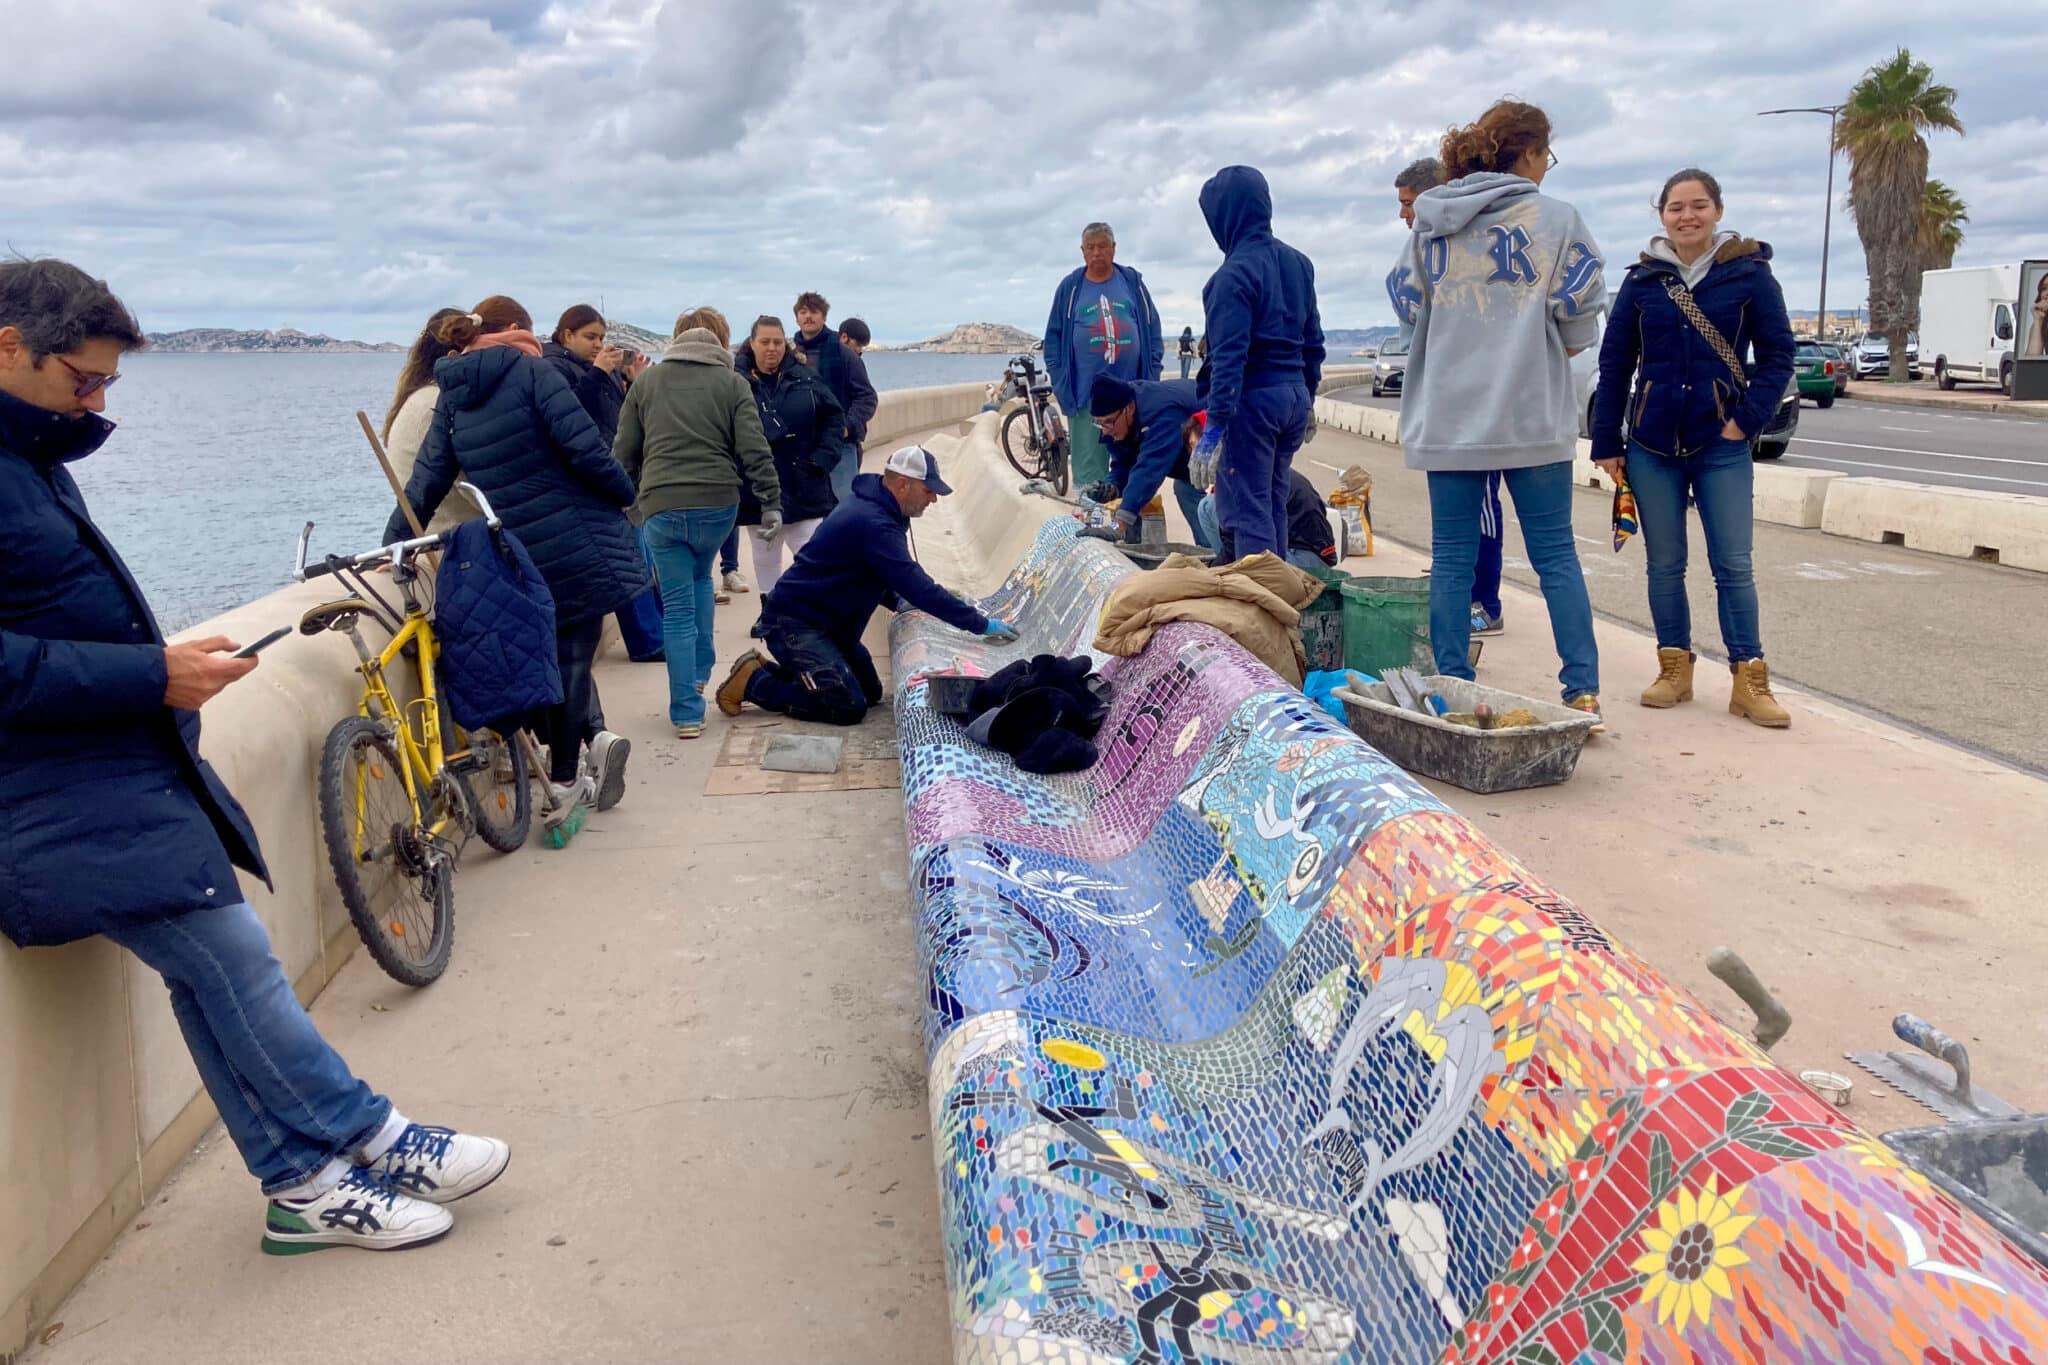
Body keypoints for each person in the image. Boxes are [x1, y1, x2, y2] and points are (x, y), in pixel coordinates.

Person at [0, 257, 507, 1252]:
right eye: (82, 380)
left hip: (100, 772)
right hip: (49, 790)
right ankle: (373, 1136)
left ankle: (302, 1185)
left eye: (110, 383)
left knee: (214, 973)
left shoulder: (26, 450)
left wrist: (155, 671)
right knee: (230, 958)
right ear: (5, 347)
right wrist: (149, 677)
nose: (97, 404)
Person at [1387, 99, 1607, 718]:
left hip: (1450, 419)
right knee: (1555, 555)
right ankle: (1582, 692)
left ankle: (1455, 690)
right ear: (1531, 152)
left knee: (1451, 557)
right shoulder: (1558, 220)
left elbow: (1406, 302)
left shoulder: (1431, 222)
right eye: (1547, 155)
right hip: (1531, 414)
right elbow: (1579, 314)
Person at [386, 295, 648, 810]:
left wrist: (391, 542)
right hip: (573, 537)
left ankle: (566, 757)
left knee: (539, 652)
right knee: (573, 656)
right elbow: (584, 449)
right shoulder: (533, 374)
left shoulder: (455, 394)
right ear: (521, 334)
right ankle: (569, 776)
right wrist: (624, 492)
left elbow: (426, 481)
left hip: (513, 550)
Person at [1592, 168, 1795, 727]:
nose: (1687, 216)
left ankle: (1750, 680)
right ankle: (1674, 668)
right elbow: (1615, 366)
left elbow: (1779, 356)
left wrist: (1745, 423)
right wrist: (1607, 439)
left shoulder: (1750, 275)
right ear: (1661, 215)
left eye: (1698, 205)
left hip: (1720, 444)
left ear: (1718, 210)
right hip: (1652, 445)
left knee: (1733, 565)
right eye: (1676, 207)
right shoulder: (1642, 282)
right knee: (1665, 565)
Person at [715, 446, 1019, 726]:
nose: (933, 499)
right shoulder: (874, 522)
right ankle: (755, 683)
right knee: (847, 705)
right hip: (795, 624)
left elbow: (875, 571)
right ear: (902, 484)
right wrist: (979, 624)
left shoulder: (880, 509)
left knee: (870, 692)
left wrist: (897, 601)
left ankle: (766, 668)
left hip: (828, 624)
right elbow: (918, 586)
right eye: (928, 490)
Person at [615, 306, 781, 739]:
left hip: (663, 507)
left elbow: (625, 450)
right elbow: (753, 448)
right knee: (703, 578)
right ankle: (703, 669)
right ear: (722, 340)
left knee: (677, 607)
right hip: (717, 507)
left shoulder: (646, 382)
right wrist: (771, 502)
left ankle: (687, 711)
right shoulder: (733, 383)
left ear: (676, 338)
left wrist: (629, 502)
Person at [1189, 166, 1326, 563]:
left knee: (1247, 510)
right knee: (1273, 502)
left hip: (1254, 403)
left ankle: (1261, 610)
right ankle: (1279, 597)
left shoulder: (1230, 277)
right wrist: (1308, 395)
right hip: (1293, 400)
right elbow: (1313, 343)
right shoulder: (1299, 264)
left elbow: (1229, 359)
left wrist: (1214, 427)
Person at [1396, 156, 1504, 638]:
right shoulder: (1426, 244)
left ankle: (1487, 601)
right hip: (1449, 402)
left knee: (1483, 508)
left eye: (1406, 204)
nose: (1402, 215)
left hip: (1475, 407)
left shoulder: (1465, 243)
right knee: (1458, 519)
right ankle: (1458, 590)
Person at [545, 304, 665, 665]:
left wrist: (633, 382)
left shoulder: (601, 369)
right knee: (625, 560)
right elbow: (569, 415)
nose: (598, 345)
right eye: (590, 337)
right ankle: (648, 640)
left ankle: (659, 631)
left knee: (640, 555)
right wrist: (598, 373)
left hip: (616, 471)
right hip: (590, 477)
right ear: (567, 335)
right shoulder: (553, 368)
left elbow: (623, 416)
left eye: (601, 337)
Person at [1043, 222, 1164, 488]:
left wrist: (1152, 376)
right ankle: (1093, 524)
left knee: (1134, 469)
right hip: (1085, 396)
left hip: (1131, 398)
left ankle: (1131, 524)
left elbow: (1153, 329)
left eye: (1102, 246)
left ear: (1114, 248)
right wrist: (1062, 383)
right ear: (1083, 252)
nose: (1097, 252)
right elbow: (1052, 340)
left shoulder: (1132, 283)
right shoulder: (1070, 288)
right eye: (1090, 247)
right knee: (1090, 477)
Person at [733, 315, 845, 595]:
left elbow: (834, 417)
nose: (772, 348)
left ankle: (809, 621)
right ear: (752, 343)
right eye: (765, 342)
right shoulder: (735, 383)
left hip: (805, 485)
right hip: (757, 490)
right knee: (765, 560)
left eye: (778, 342)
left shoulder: (806, 377)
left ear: (786, 344)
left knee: (815, 561)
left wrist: (822, 459)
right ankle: (772, 619)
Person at [380, 307, 482, 533]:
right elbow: (470, 489)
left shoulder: (417, 396)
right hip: (457, 544)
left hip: (437, 534)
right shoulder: (440, 403)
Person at [1077, 374, 1207, 549]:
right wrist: (1112, 486)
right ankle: (1214, 553)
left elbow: (1148, 472)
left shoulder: (1162, 414)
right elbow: (1123, 464)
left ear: (1129, 408)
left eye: (1108, 422)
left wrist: (1118, 525)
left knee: (1200, 497)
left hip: (1231, 436)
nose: (1105, 431)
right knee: (1187, 488)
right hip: (1189, 451)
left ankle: (1223, 558)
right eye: (1099, 424)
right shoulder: (1116, 420)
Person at [790, 292, 877, 503]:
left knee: (844, 510)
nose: (808, 316)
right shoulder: (790, 355)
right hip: (804, 447)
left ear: (824, 317)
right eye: (803, 312)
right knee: (810, 515)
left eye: (814, 312)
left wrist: (846, 426)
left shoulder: (844, 354)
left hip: (840, 446)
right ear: (797, 318)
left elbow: (867, 397)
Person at [1195, 468, 1336, 572]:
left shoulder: (1248, 484)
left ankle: (1232, 574)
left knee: (1207, 506)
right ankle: (1233, 572)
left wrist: (1213, 572)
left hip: (1307, 560)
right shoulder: (1266, 469)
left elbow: (1235, 544)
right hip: (1313, 554)